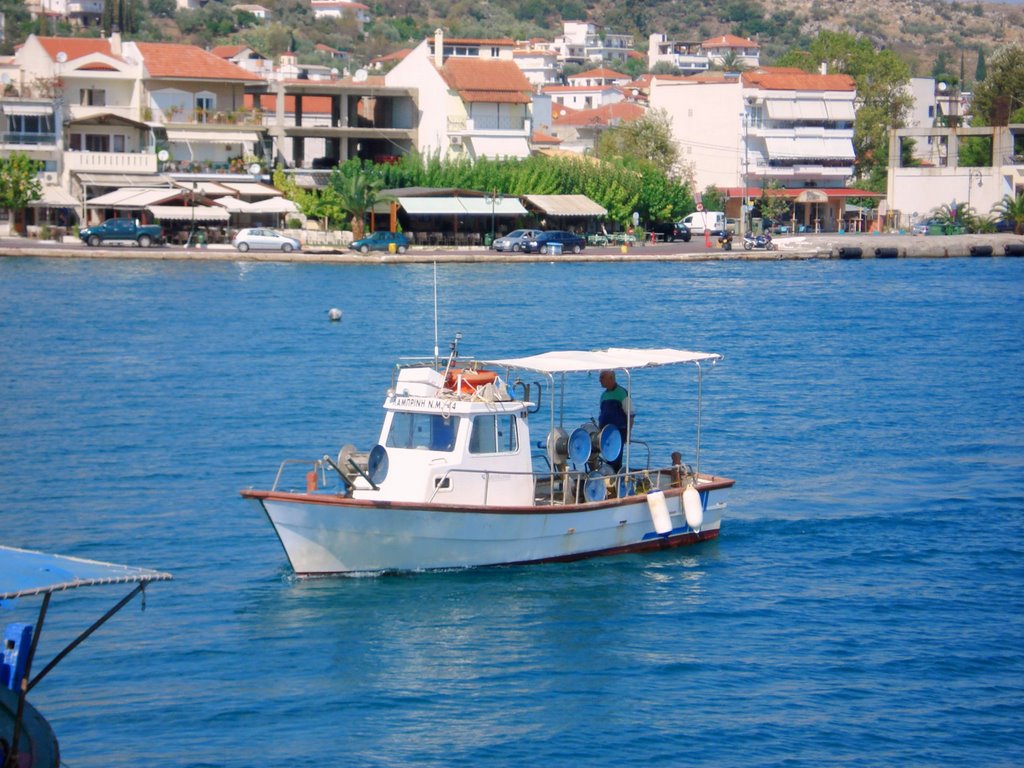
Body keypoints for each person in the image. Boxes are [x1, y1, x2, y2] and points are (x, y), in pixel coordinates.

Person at [598, 370, 635, 471]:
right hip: (605, 432)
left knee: (615, 458)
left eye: (602, 377)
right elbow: (602, 413)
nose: (599, 380)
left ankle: (615, 478)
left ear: (610, 378)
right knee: (605, 457)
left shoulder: (622, 393)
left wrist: (628, 433)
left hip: (618, 431)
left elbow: (630, 415)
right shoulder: (604, 395)